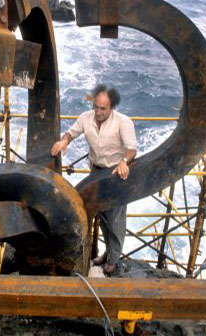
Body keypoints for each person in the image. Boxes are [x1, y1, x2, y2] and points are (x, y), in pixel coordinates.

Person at [51, 84, 137, 274]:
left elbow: (132, 149)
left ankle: (114, 260)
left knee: (115, 221)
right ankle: (108, 253)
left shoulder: (123, 122)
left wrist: (124, 161)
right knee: (103, 218)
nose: (98, 111)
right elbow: (71, 132)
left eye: (103, 108)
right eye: (96, 107)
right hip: (97, 172)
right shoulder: (86, 118)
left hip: (116, 175)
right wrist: (63, 141)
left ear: (112, 107)